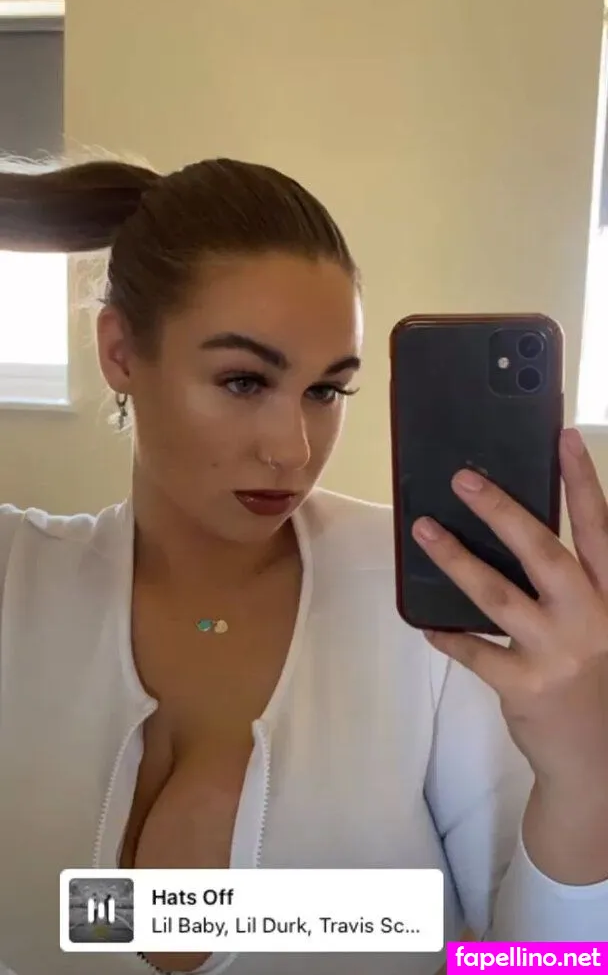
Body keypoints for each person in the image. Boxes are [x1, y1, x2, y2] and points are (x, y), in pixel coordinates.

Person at [0, 157, 606, 975]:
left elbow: (542, 961)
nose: (293, 450)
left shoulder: (438, 603)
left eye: (326, 392)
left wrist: (585, 776)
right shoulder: (15, 577)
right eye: (243, 381)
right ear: (120, 353)